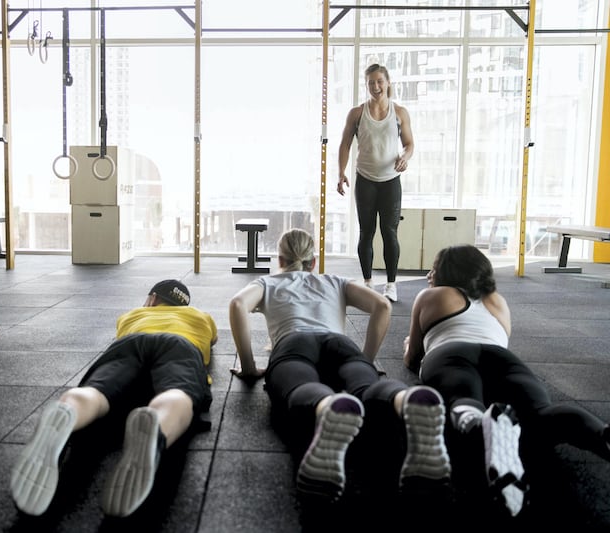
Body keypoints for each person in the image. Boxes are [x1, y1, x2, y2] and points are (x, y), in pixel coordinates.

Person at [228, 228, 451, 502]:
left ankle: (327, 407)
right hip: (339, 344)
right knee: (366, 386)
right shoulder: (335, 281)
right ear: (313, 262)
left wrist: (249, 366)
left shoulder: (268, 283)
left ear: (280, 261)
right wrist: (366, 359)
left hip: (293, 344)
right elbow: (382, 305)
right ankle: (404, 399)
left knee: (301, 386)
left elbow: (238, 304)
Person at [403, 244, 610, 518]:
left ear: (448, 271)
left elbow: (412, 357)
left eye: (435, 268)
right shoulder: (497, 300)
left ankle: (480, 425)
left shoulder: (431, 295)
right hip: (502, 358)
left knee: (464, 399)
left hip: (450, 354)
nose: (430, 274)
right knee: (540, 412)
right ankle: (601, 434)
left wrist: (408, 345)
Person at [10, 279, 217, 518]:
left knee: (98, 392)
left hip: (131, 342)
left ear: (151, 299)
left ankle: (69, 411)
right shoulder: (201, 316)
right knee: (177, 392)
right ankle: (157, 430)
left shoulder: (131, 315)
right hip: (180, 345)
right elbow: (212, 340)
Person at [337, 63, 414, 303]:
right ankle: (368, 283)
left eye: (379, 81)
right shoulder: (357, 113)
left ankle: (391, 285)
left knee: (389, 232)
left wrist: (405, 157)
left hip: (391, 181)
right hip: (366, 180)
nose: (376, 86)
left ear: (388, 82)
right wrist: (341, 173)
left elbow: (409, 144)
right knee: (366, 232)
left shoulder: (400, 112)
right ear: (366, 85)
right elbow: (345, 144)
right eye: (371, 82)